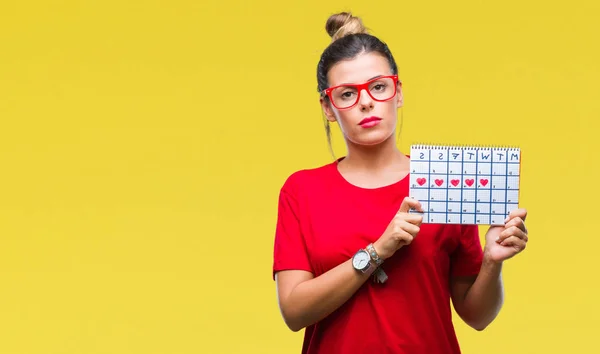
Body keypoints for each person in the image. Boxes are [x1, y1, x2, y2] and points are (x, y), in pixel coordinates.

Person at [272, 12, 529, 354]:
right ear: (328, 107)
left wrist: (492, 261)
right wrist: (377, 251)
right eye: (347, 93)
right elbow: (293, 311)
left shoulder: (446, 180)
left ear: (398, 92)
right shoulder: (302, 191)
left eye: (378, 87)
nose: (366, 102)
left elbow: (477, 316)